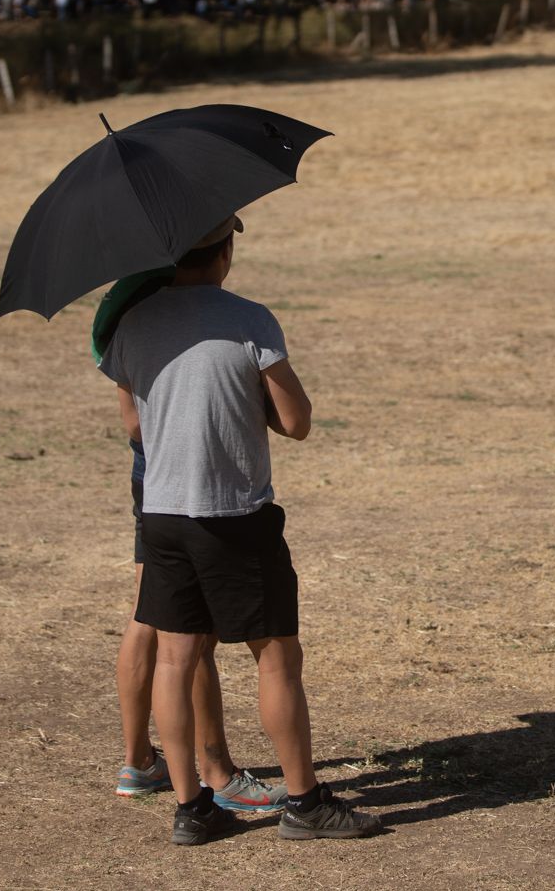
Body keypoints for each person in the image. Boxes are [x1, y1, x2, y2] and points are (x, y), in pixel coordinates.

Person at [99, 214, 382, 846]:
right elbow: (297, 420)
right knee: (277, 659)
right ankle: (305, 803)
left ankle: (192, 809)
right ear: (224, 252)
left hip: (164, 515)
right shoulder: (250, 319)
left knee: (175, 659)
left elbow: (135, 428)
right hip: (235, 517)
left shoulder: (134, 325)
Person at [92, 269, 287, 814]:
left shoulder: (123, 304)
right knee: (192, 633)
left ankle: (143, 763)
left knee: (151, 615)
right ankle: (217, 770)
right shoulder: (224, 309)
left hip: (155, 474)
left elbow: (132, 421)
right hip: (198, 479)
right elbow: (293, 417)